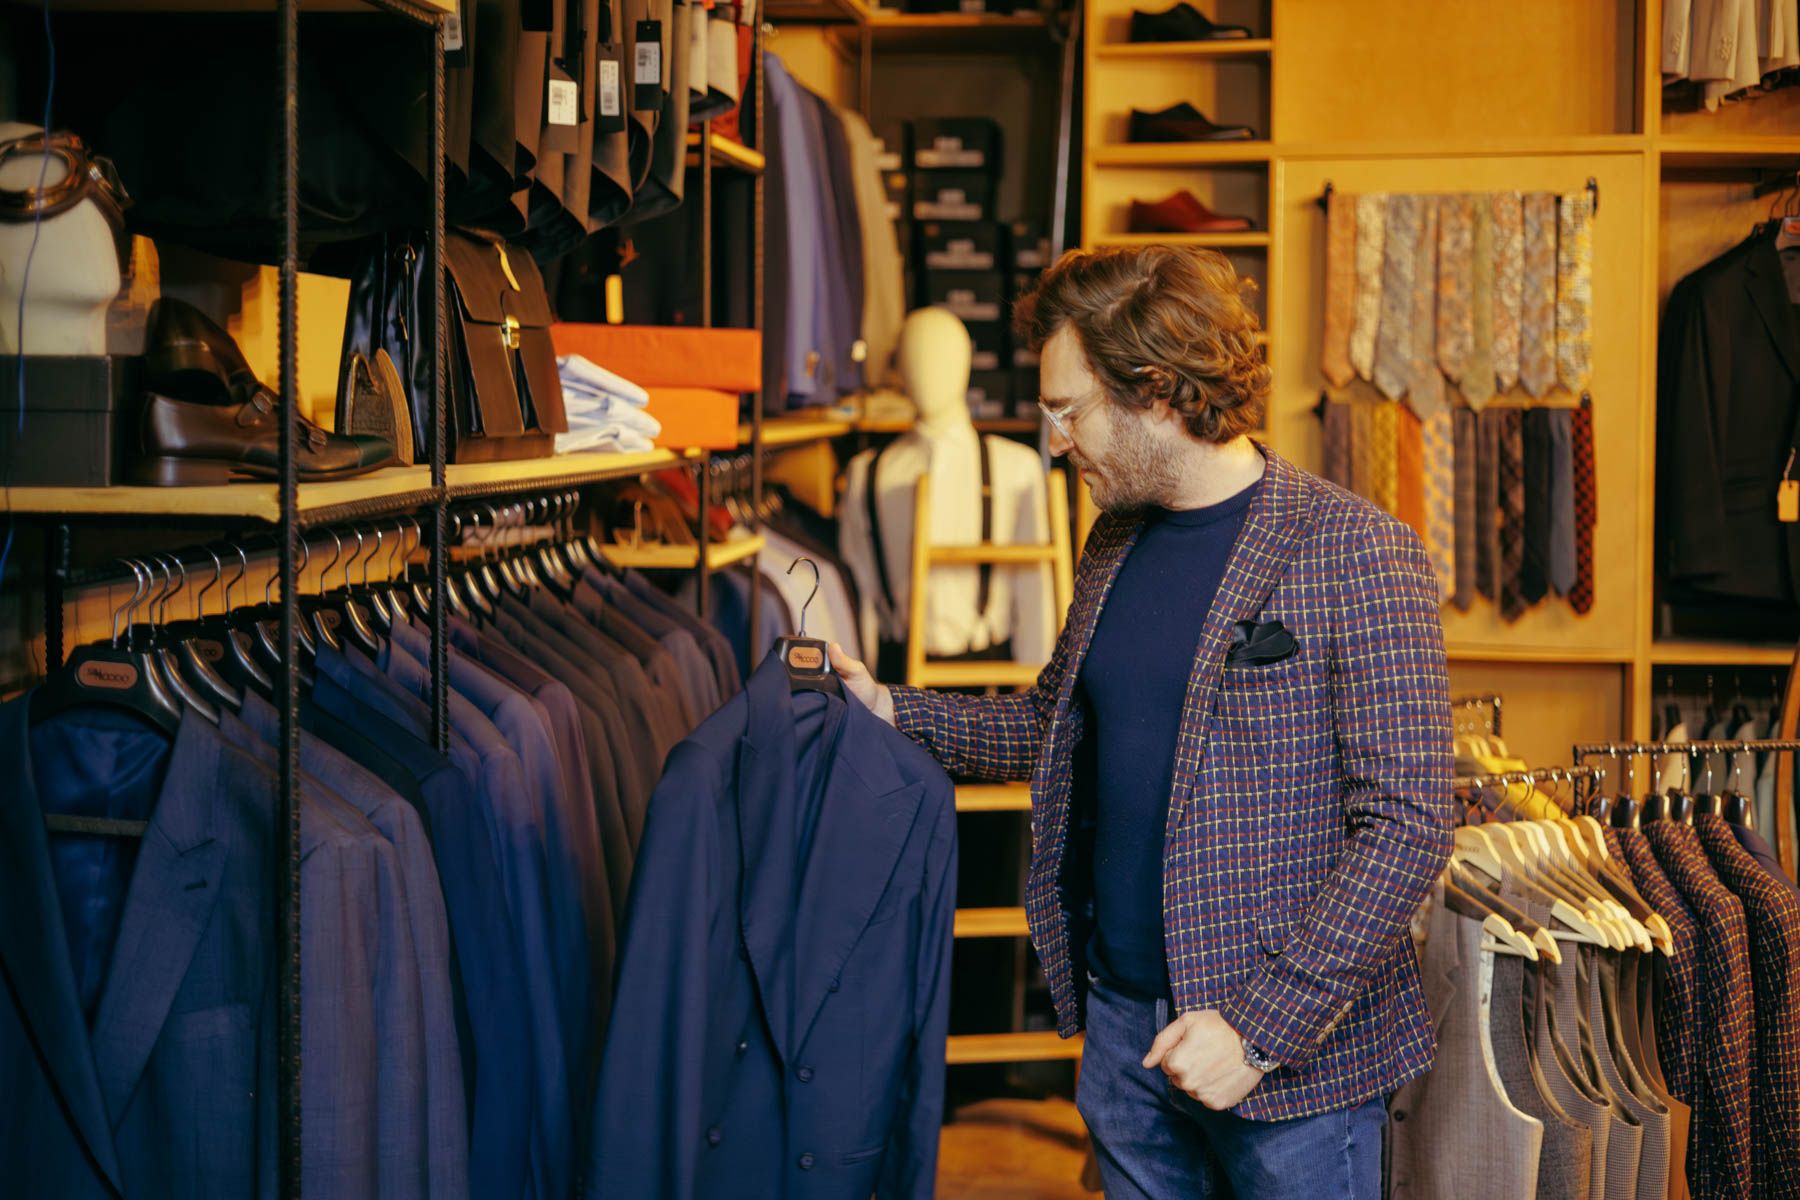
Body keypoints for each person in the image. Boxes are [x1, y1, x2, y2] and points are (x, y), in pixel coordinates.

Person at [827, 244, 1454, 1200]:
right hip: (1124, 1040)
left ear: (1157, 392)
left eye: (1068, 410)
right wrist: (888, 711)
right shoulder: (1114, 539)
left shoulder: (1355, 550)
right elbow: (1055, 732)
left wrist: (1256, 1030)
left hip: (1286, 1066)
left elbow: (1409, 824)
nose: (1051, 440)